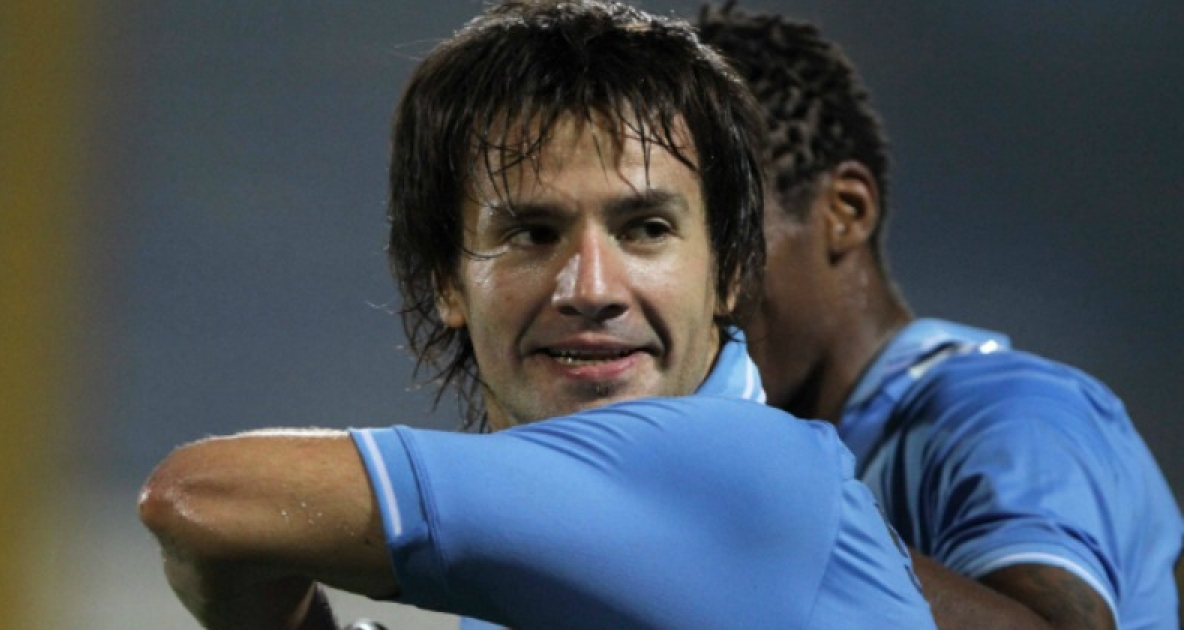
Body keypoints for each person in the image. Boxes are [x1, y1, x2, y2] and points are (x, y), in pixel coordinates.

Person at [137, 2, 936, 629]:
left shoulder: (738, 470)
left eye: (645, 230)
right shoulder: (543, 549)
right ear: (445, 280)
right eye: (532, 233)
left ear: (729, 269)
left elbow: (201, 501)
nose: (591, 286)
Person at [695, 3, 1184, 630]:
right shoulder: (819, 451)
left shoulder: (1010, 414)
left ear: (846, 211)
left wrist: (769, 526)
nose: (695, 287)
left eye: (725, 231)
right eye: (659, 234)